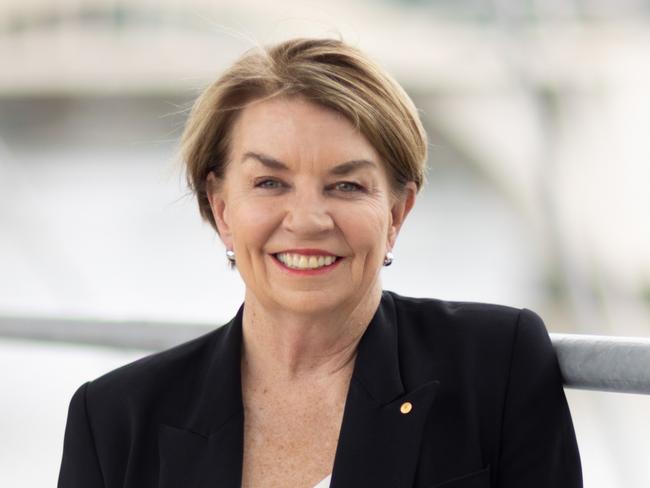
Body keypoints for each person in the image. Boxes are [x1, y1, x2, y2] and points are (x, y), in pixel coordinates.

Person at [58, 37, 582, 488]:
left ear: (397, 211)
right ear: (221, 209)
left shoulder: (496, 363)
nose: (308, 220)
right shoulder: (113, 420)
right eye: (269, 183)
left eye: (346, 185)